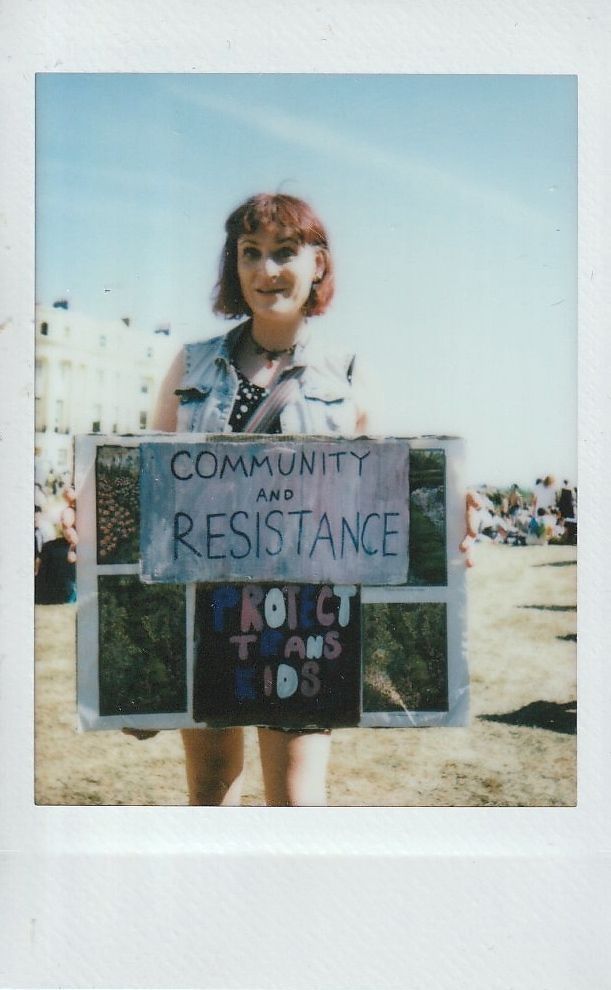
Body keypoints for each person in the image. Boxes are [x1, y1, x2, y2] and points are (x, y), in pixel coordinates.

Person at [129, 193, 368, 807]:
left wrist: (447, 518)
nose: (267, 271)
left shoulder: (346, 374)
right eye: (251, 254)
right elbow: (145, 479)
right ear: (233, 267)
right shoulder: (193, 363)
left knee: (296, 800)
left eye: (285, 252)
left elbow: (384, 499)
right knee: (211, 793)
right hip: (204, 608)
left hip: (304, 622)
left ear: (318, 263)